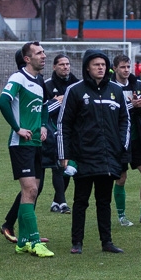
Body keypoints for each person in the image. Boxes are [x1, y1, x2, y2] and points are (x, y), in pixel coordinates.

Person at [57, 49, 130, 254]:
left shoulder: (116, 90)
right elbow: (64, 124)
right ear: (87, 67)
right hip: (83, 156)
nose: (100, 68)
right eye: (96, 64)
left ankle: (107, 242)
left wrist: (121, 146)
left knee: (104, 201)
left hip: (108, 157)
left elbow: (125, 120)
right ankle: (77, 242)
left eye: (103, 64)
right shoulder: (75, 90)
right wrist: (64, 155)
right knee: (81, 201)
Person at [0, 41, 54, 258]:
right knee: (30, 190)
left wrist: (43, 125)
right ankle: (34, 241)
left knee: (32, 191)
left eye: (44, 52)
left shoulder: (39, 82)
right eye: (39, 53)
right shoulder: (18, 78)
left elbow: (45, 106)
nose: (44, 55)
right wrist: (17, 128)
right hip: (21, 145)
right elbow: (3, 102)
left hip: (36, 143)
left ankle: (22, 241)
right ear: (27, 59)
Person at [111, 55, 141, 227]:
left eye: (128, 67)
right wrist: (132, 105)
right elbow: (111, 111)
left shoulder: (138, 84)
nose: (126, 70)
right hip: (119, 138)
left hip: (138, 136)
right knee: (121, 178)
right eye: (122, 67)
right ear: (115, 69)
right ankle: (122, 216)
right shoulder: (109, 87)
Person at [45, 54, 77, 214]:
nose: (65, 67)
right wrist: (56, 102)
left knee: (68, 168)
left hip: (73, 132)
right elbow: (42, 111)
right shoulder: (47, 85)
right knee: (58, 166)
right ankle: (62, 203)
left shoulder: (77, 84)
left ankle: (56, 201)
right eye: (62, 64)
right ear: (54, 67)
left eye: (67, 64)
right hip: (54, 132)